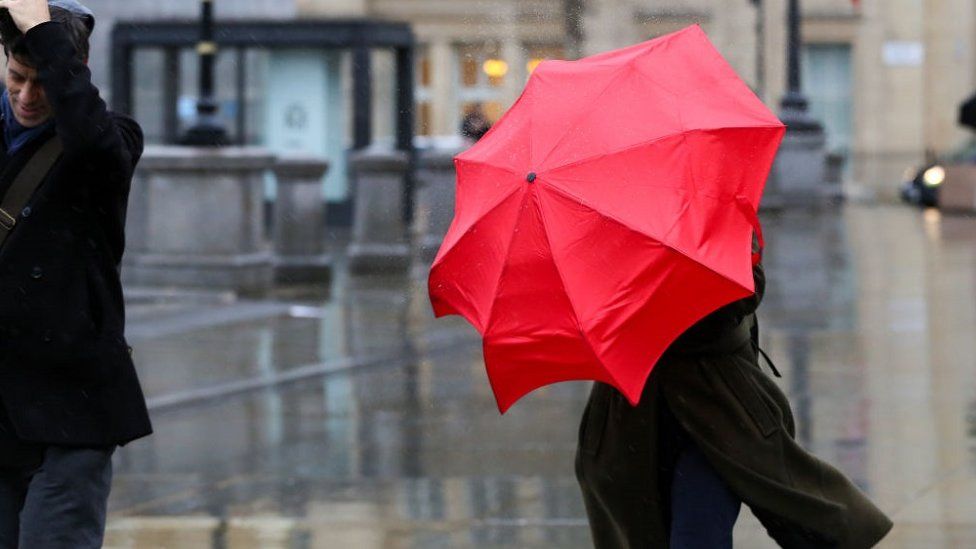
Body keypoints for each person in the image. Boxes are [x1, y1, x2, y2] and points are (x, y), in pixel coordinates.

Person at [575, 238, 893, 548]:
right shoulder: (594, 236)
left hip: (719, 415)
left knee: (700, 533)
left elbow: (741, 299)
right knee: (643, 529)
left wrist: (673, 284)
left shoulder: (710, 214)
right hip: (629, 422)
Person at [0, 0, 152, 546]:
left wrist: (43, 32)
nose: (26, 96)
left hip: (73, 408)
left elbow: (90, 140)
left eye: (43, 82)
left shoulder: (109, 141)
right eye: (17, 77)